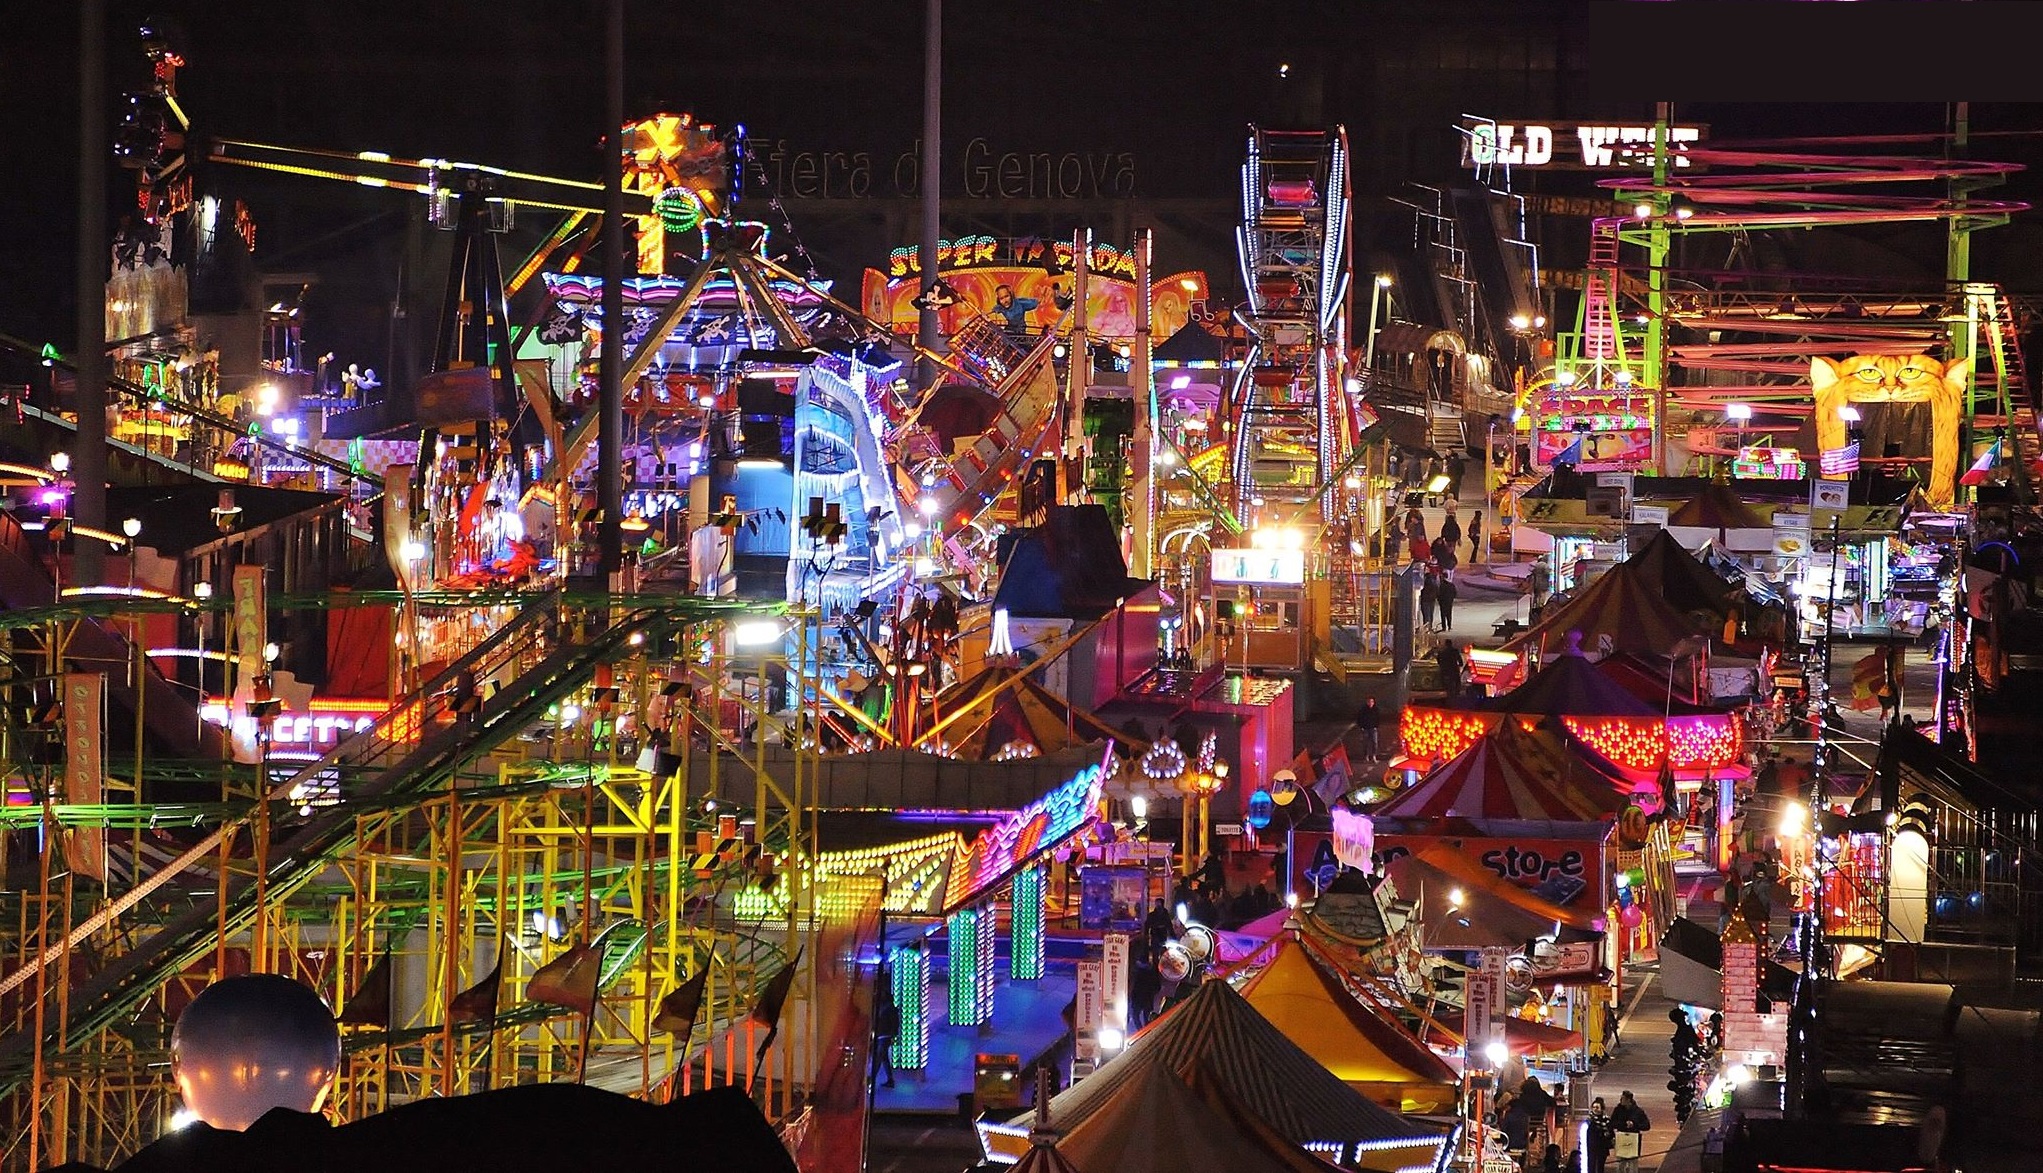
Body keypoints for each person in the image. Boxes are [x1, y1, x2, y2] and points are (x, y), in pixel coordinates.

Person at [1609, 1090, 1651, 1173]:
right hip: (1621, 1138)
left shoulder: (1638, 1111)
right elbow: (1612, 1123)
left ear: (1629, 1100)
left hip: (1633, 1139)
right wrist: (1623, 1124)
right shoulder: (1618, 1110)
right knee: (1620, 1163)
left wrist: (1634, 1125)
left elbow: (1647, 1126)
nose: (1621, 1100)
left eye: (1623, 1098)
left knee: (1633, 1163)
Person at [872, 975, 900, 1088]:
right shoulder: (884, 1008)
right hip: (882, 1035)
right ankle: (890, 1080)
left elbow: (894, 1023)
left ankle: (872, 1079)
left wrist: (893, 1035)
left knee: (879, 1056)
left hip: (884, 1036)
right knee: (884, 1058)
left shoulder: (887, 1009)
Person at [1587, 1098, 1615, 1173]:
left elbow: (1611, 1133)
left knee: (1600, 1166)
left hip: (1603, 1147)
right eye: (1593, 1107)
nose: (1595, 1109)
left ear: (1602, 1108)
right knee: (1591, 1165)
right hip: (1592, 1147)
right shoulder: (1589, 1120)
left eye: (1597, 1107)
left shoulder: (1607, 1120)